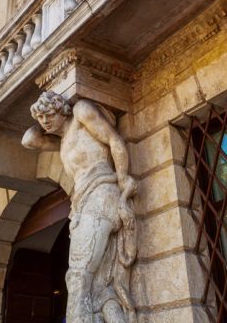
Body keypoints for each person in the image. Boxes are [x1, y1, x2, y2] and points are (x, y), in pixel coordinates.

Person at [22, 91, 137, 323]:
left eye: (48, 115)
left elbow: (114, 139)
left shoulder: (81, 111)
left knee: (79, 275)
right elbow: (29, 140)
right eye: (41, 118)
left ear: (62, 109)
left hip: (102, 193)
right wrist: (43, 115)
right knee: (98, 282)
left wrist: (123, 177)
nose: (44, 121)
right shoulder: (62, 140)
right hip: (82, 203)